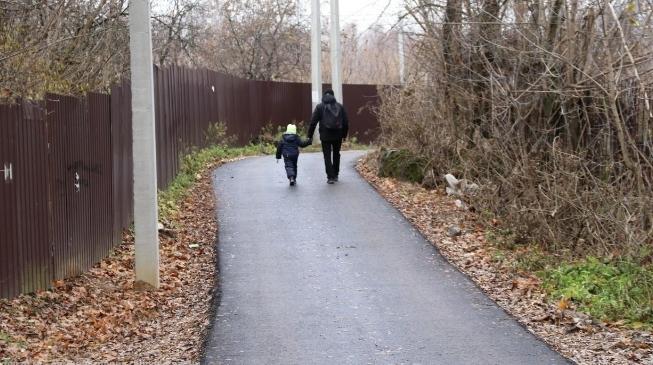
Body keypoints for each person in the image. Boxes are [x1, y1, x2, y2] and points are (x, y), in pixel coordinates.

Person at [307, 89, 349, 184]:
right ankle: (336, 174)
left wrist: (309, 136)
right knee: (336, 154)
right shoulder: (340, 107)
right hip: (338, 135)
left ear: (324, 96)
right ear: (333, 96)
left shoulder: (319, 107)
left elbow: (313, 122)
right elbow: (346, 123)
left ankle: (330, 177)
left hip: (325, 136)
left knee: (327, 156)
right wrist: (344, 135)